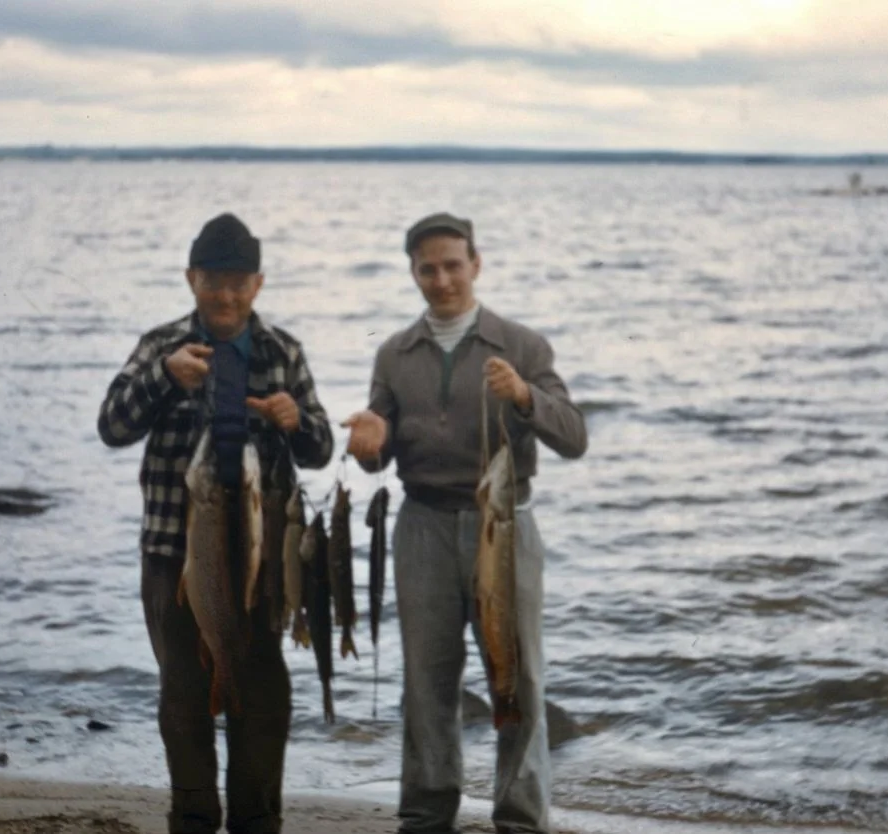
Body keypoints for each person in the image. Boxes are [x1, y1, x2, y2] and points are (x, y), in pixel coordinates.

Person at [342, 212, 588, 834]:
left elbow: (575, 437)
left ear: (476, 264)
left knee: (519, 676)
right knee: (427, 682)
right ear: (414, 273)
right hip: (422, 526)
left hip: (504, 527)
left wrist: (527, 398)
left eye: (454, 264)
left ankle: (522, 818)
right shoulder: (394, 354)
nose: (443, 279)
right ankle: (426, 816)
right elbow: (379, 455)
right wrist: (370, 445)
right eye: (429, 268)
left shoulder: (522, 346)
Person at [97, 212, 334, 834]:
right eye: (211, 281)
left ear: (257, 284)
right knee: (183, 699)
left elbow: (320, 450)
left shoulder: (283, 352)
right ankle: (194, 820)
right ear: (190, 279)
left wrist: (295, 420)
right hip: (175, 555)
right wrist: (162, 379)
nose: (224, 295)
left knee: (263, 696)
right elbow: (112, 427)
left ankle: (256, 823)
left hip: (258, 562)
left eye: (237, 282)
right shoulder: (162, 345)